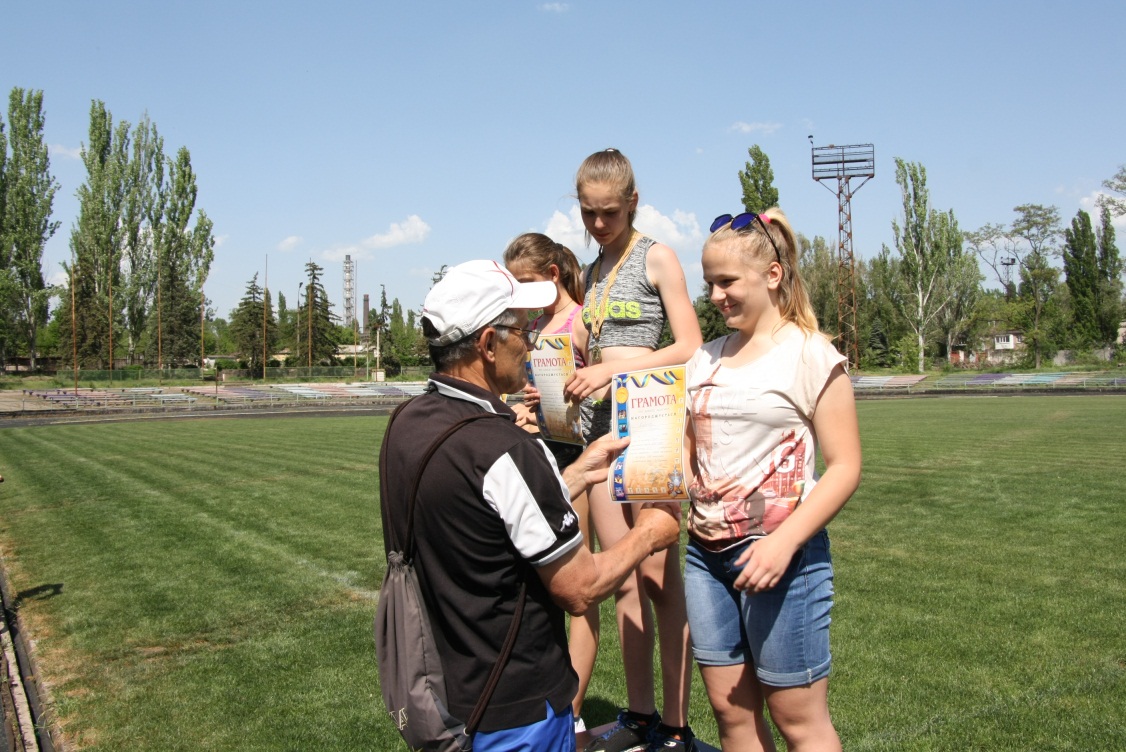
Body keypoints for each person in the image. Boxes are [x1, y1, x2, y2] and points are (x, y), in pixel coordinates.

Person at [381, 259, 681, 752]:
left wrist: (573, 474)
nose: (532, 344)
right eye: (522, 331)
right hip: (517, 710)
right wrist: (650, 531)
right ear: (488, 344)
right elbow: (579, 588)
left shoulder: (407, 423)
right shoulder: (507, 448)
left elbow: (482, 513)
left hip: (443, 692)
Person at [683, 209, 862, 751]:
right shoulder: (704, 359)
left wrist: (784, 544)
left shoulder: (811, 354)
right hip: (704, 557)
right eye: (709, 283)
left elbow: (846, 467)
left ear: (773, 275)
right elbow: (689, 455)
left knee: (797, 720)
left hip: (783, 558)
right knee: (731, 713)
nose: (715, 295)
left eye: (727, 281)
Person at [563, 149, 703, 752]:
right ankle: (640, 715)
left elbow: (690, 345)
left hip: (650, 424)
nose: (598, 224)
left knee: (659, 579)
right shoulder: (591, 272)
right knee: (620, 576)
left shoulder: (657, 256)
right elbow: (585, 347)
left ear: (633, 203)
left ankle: (675, 724)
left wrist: (613, 373)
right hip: (600, 432)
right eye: (588, 213)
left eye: (610, 213)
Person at [503, 233, 600, 731]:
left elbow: (606, 389)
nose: (519, 292)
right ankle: (557, 696)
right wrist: (526, 404)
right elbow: (530, 391)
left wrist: (571, 394)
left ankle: (574, 712)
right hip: (542, 455)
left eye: (525, 281)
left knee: (578, 587)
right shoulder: (534, 326)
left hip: (579, 454)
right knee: (547, 584)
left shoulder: (580, 321)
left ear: (553, 275)